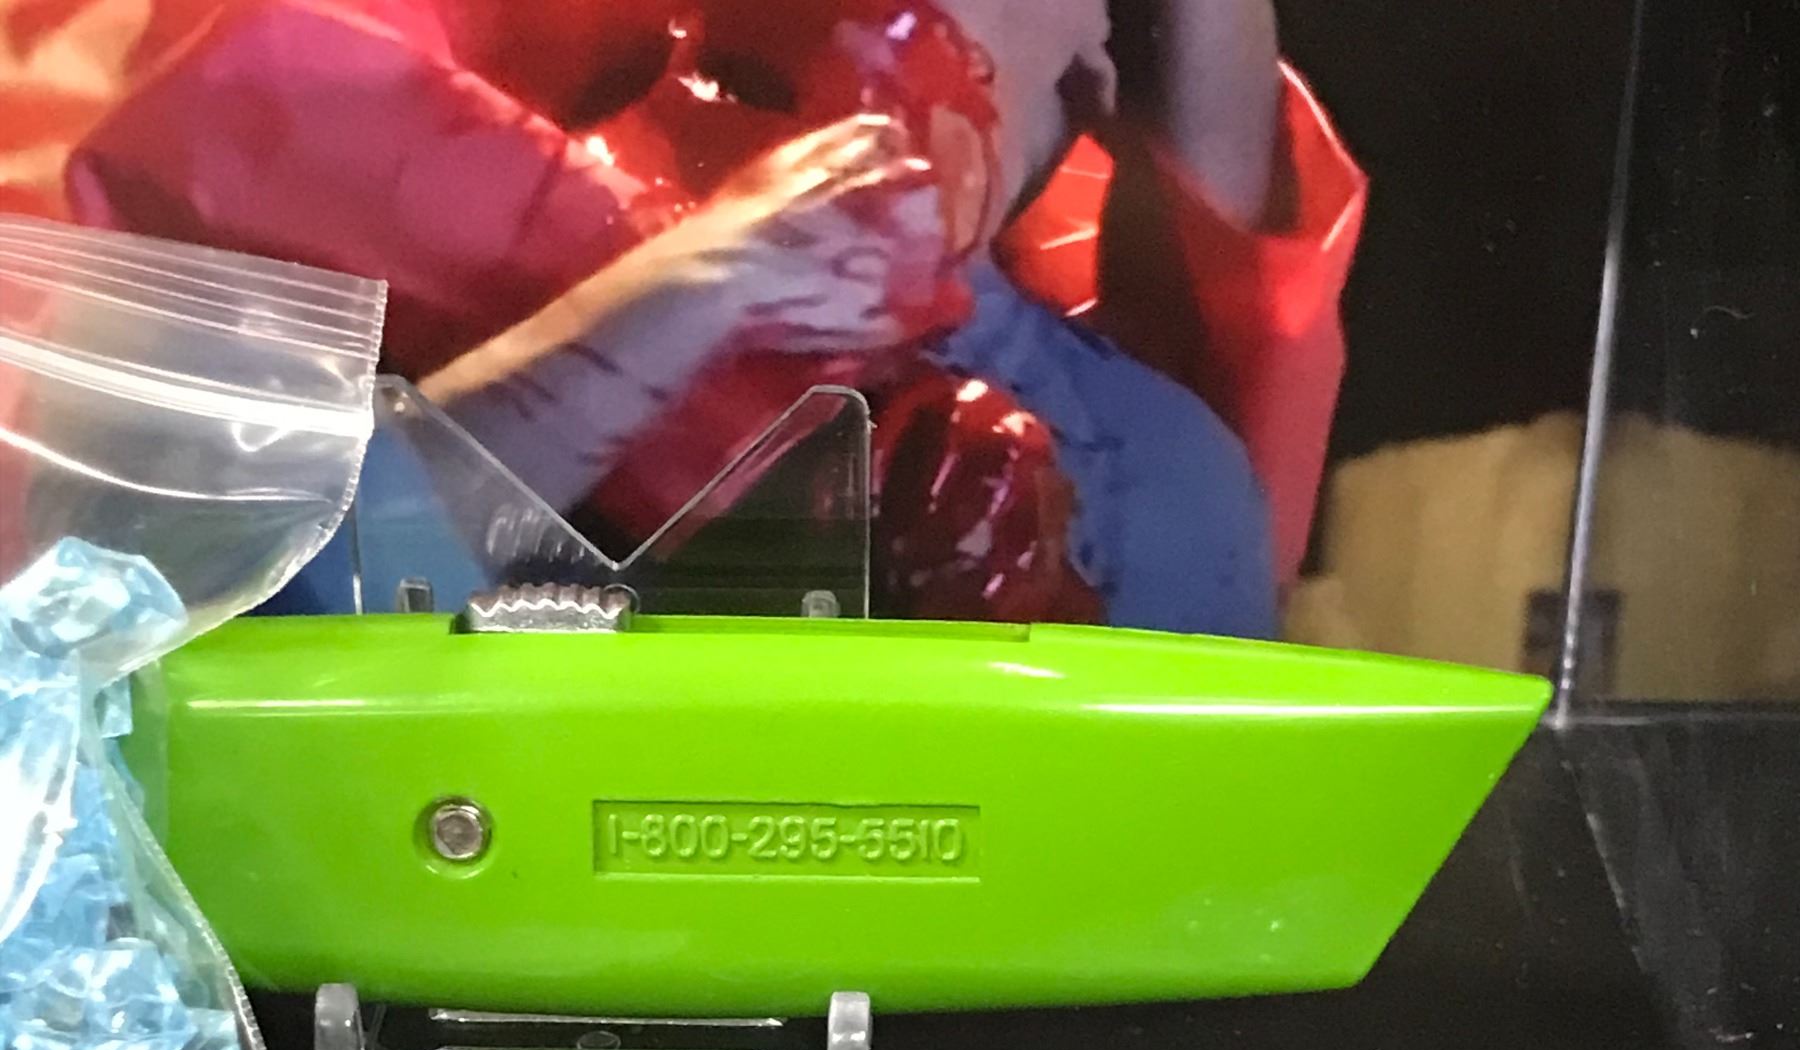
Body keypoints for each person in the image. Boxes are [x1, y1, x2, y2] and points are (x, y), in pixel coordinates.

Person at [63, 0, 1365, 633]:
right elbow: (222, 635)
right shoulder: (381, 226)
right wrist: (671, 304)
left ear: (1085, 74)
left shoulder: (1152, 469)